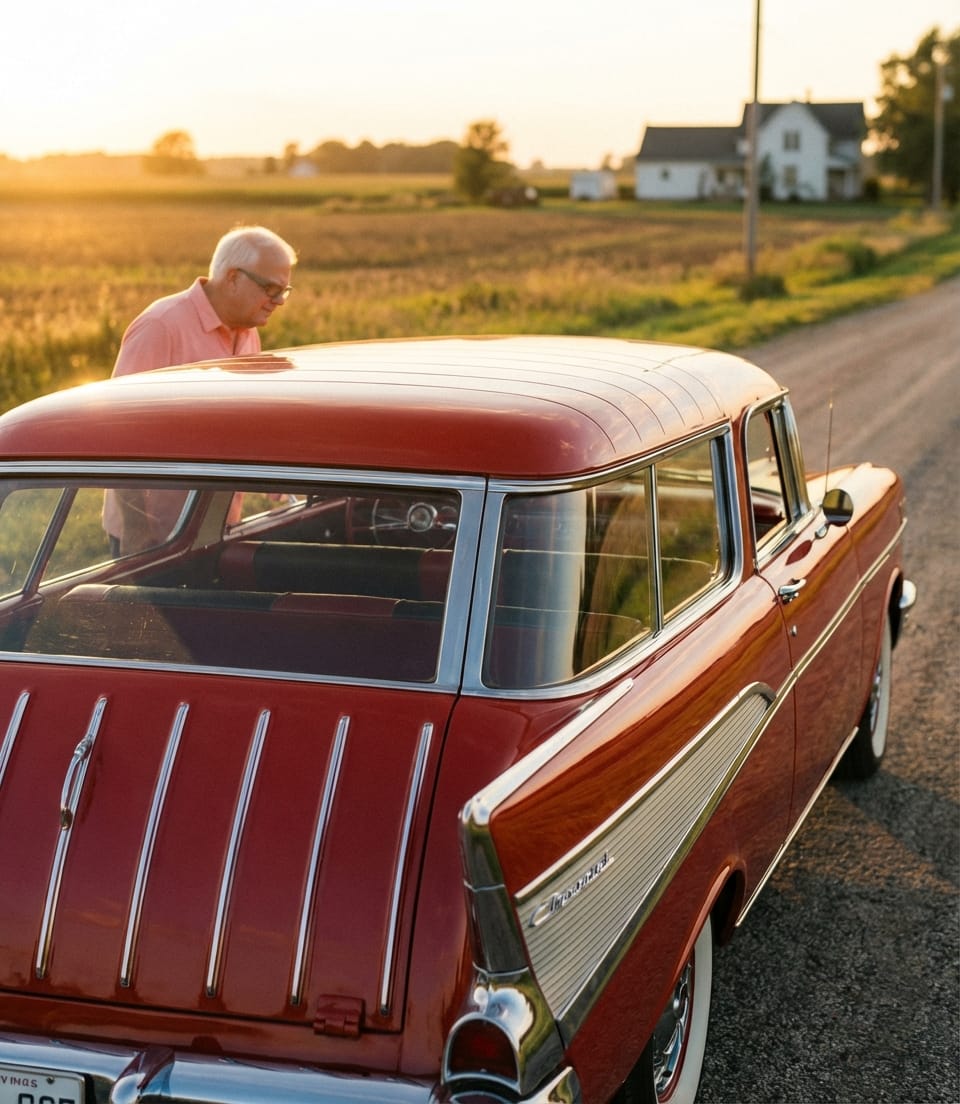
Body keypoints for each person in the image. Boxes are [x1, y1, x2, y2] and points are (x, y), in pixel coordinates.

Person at [104, 225, 297, 553]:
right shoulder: (161, 326)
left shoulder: (247, 331)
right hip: (154, 536)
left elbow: (235, 421)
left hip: (214, 527)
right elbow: (118, 431)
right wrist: (137, 528)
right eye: (271, 289)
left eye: (285, 291)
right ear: (234, 277)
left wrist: (279, 482)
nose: (278, 301)